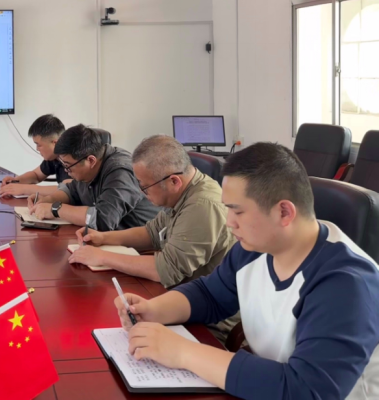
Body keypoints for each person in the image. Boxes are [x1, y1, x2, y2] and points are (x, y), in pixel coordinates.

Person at [113, 143, 379, 400]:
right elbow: (211, 295)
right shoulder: (257, 247)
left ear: (284, 212)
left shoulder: (346, 284)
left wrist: (183, 353)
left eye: (237, 211)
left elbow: (305, 390)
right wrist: (153, 310)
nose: (229, 223)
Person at [69, 135, 234, 286]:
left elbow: (166, 270)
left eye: (145, 186)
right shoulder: (181, 192)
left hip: (204, 302)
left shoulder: (202, 206)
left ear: (174, 181)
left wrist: (102, 257)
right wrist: (103, 238)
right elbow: (153, 233)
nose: (142, 193)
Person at [28, 124, 160, 230]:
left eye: (68, 166)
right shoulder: (89, 166)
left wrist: (56, 209)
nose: (67, 172)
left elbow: (103, 219)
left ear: (91, 161)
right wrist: (49, 200)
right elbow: (72, 190)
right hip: (109, 239)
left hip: (140, 247)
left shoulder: (121, 172)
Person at [0, 114, 69, 198]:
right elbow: (36, 175)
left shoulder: (73, 159)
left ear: (55, 143)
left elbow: (69, 189)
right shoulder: (54, 157)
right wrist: (16, 181)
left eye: (39, 145)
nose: (37, 149)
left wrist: (25, 189)